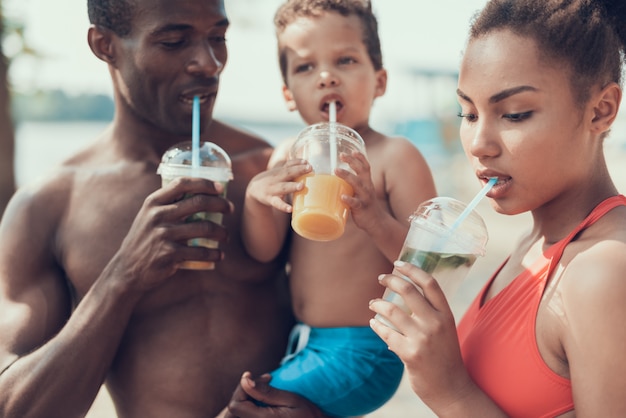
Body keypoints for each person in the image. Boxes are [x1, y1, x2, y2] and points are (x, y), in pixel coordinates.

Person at [0, 0, 295, 416]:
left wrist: (319, 403)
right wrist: (123, 278)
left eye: (218, 38)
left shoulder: (267, 172)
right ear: (105, 45)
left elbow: (348, 330)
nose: (209, 63)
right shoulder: (50, 206)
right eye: (174, 41)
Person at [368, 0, 626, 416]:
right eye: (467, 113)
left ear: (601, 110)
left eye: (514, 114)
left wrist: (451, 391)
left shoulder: (604, 270)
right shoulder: (533, 243)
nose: (478, 143)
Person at [226, 1, 437, 417]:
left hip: (365, 349)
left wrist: (375, 218)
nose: (326, 76)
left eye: (345, 60)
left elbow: (428, 264)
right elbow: (265, 251)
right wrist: (256, 198)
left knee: (247, 410)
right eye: (305, 68)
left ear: (379, 81)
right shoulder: (290, 155)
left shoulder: (396, 156)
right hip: (304, 340)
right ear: (288, 94)